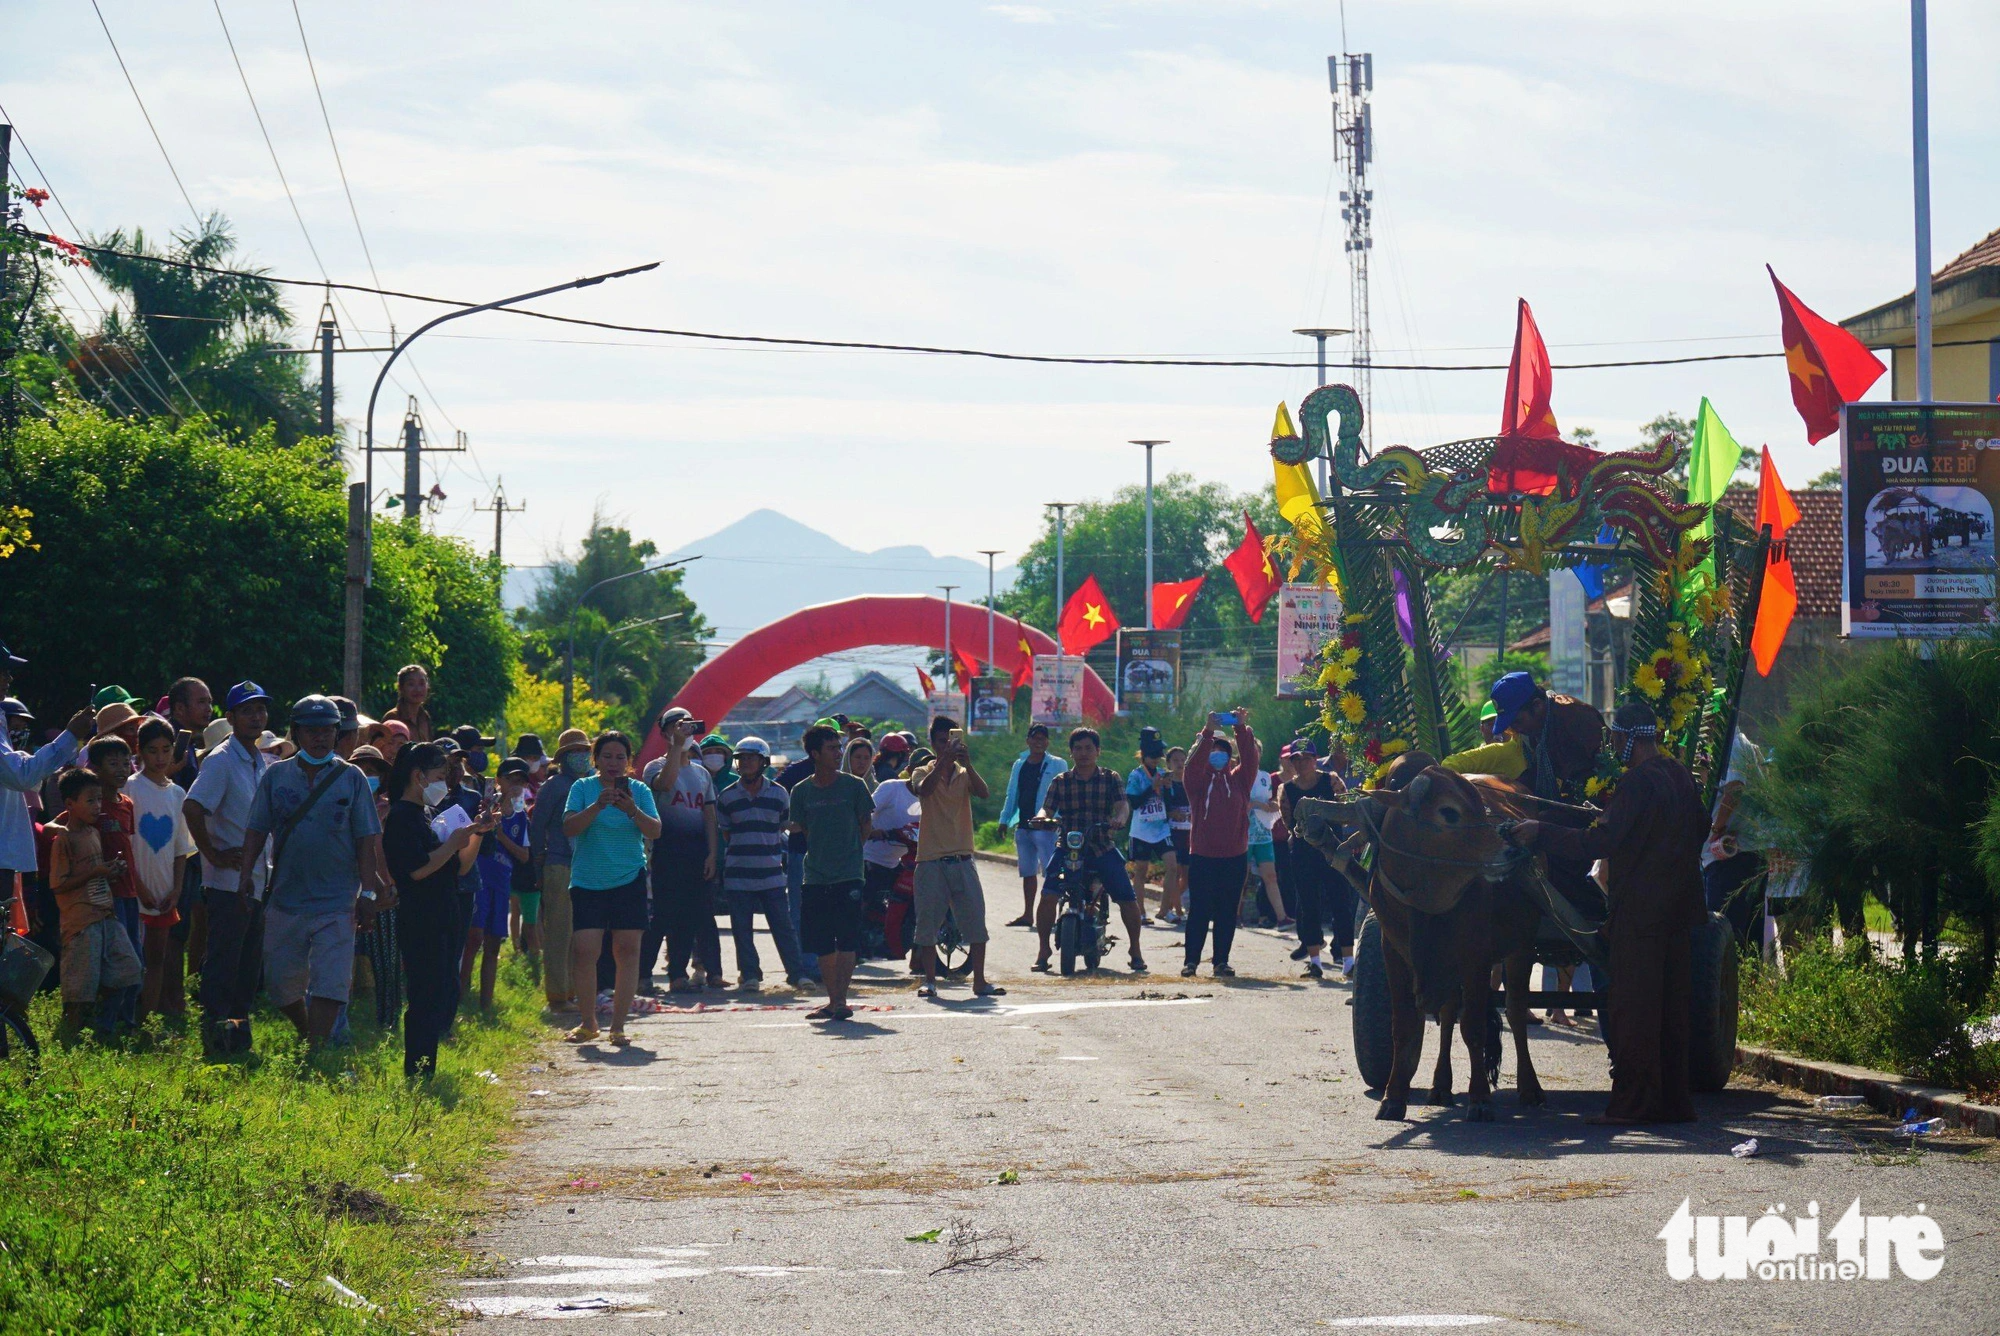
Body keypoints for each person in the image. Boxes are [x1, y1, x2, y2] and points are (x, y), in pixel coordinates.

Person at [1507, 701, 1706, 1124]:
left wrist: (1542, 833)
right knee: (1670, 1010)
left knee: (1633, 1010)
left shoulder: (1637, 783)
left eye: (1616, 737)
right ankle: (1673, 1102)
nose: (1613, 744)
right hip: (1680, 911)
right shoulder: (1679, 775)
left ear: (1629, 737)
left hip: (1640, 915)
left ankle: (1633, 1105)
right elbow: (1701, 826)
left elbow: (1597, 844)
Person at [239, 695, 385, 1048]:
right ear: (297, 733)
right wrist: (245, 877)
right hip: (286, 897)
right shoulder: (276, 776)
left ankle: (318, 1047)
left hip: (336, 900)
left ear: (337, 734)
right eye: (311, 731)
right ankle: (308, 1032)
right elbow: (256, 830)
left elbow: (367, 839)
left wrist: (368, 893)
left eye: (327, 731)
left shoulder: (352, 779)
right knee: (279, 982)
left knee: (332, 981)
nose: (319, 738)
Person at [381, 741, 491, 1077]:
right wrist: (452, 844)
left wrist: (475, 833)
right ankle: (418, 1070)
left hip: (444, 914)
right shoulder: (401, 817)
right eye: (440, 775)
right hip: (421, 919)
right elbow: (416, 870)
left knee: (442, 990)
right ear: (419, 776)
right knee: (425, 996)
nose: (445, 783)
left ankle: (427, 1064)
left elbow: (456, 866)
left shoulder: (427, 815)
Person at [185, 682, 276, 1054]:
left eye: (261, 709)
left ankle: (237, 1039)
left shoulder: (258, 761)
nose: (256, 716)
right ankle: (215, 1040)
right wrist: (212, 853)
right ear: (231, 717)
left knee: (248, 968)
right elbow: (193, 807)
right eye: (247, 710)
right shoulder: (222, 759)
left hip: (256, 878)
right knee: (224, 964)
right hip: (227, 881)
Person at [562, 730, 661, 1044]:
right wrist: (597, 807)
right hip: (588, 880)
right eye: (607, 757)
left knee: (627, 951)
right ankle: (588, 1022)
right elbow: (569, 827)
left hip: (629, 878)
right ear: (596, 759)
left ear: (629, 761)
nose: (614, 763)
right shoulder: (582, 787)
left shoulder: (640, 790)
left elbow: (655, 831)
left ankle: (618, 1026)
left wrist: (630, 809)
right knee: (584, 951)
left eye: (621, 757)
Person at [1034, 726, 1146, 974]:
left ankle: (1135, 950)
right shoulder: (1060, 782)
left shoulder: (1111, 778)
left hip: (1101, 845)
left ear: (1097, 751)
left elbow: (1122, 806)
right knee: (1048, 894)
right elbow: (1047, 809)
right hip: (1068, 847)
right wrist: (1041, 818)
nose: (1083, 753)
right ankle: (1043, 949)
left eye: (1088, 748)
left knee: (1127, 897)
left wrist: (1119, 819)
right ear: (1071, 752)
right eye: (1078, 748)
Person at [786, 723, 875, 1021]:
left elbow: (866, 825)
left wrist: (850, 853)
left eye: (839, 748)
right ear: (815, 754)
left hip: (849, 875)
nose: (839, 753)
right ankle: (833, 1000)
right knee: (823, 941)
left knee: (847, 939)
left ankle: (841, 1000)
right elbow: (803, 827)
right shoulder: (801, 791)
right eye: (832, 748)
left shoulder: (854, 786)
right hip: (814, 876)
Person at [48, 768, 142, 1042]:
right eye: (90, 800)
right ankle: (69, 1038)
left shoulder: (92, 831)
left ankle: (104, 1029)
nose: (97, 806)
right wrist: (96, 872)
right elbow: (58, 885)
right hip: (80, 921)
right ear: (70, 804)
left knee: (128, 970)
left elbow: (95, 870)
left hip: (105, 913)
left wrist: (111, 870)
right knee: (79, 988)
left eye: (99, 800)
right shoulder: (64, 839)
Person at [910, 716, 998, 999]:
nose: (946, 745)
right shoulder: (922, 771)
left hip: (962, 857)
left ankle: (980, 981)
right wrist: (944, 761)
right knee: (927, 924)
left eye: (951, 740)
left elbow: (983, 793)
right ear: (932, 743)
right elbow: (924, 790)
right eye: (941, 741)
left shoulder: (964, 773)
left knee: (975, 920)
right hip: (931, 859)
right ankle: (930, 981)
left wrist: (967, 763)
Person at [714, 737, 808, 988]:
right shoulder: (727, 796)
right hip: (738, 875)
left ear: (763, 762)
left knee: (783, 927)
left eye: (751, 758)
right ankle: (750, 975)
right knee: (742, 931)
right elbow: (726, 832)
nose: (745, 763)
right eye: (741, 758)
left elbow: (786, 824)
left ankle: (797, 974)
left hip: (772, 874)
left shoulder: (779, 794)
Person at [642, 714, 722, 993]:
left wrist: (712, 854)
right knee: (663, 914)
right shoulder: (655, 766)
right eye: (677, 727)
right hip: (667, 849)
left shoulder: (701, 774)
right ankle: (642, 975)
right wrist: (676, 747)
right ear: (665, 733)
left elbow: (709, 816)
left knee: (691, 915)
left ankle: (678, 974)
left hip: (696, 851)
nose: (684, 731)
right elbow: (664, 785)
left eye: (688, 726)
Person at [128, 718, 197, 1022]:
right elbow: (124, 847)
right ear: (139, 751)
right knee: (131, 959)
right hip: (132, 891)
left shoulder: (177, 794)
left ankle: (146, 1020)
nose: (159, 758)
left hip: (164, 892)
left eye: (166, 750)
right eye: (152, 750)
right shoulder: (130, 788)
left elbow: (181, 850)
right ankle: (125, 1018)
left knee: (158, 957)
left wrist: (177, 889)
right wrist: (138, 888)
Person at [1182, 709, 1259, 979]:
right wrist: (1207, 732)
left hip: (1234, 856)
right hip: (1202, 855)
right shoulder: (1196, 782)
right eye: (1213, 749)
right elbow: (1192, 764)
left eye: (1223, 750)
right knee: (1200, 910)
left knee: (1227, 911)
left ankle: (1221, 962)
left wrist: (1241, 728)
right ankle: (1190, 961)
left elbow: (1250, 758)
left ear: (1230, 755)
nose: (1218, 753)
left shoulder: (1240, 779)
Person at [84, 733, 143, 1031]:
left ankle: (126, 1022)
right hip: (105, 896)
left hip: (129, 891)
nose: (122, 769)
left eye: (126, 762)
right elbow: (64, 827)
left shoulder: (127, 804)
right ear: (95, 768)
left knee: (135, 960)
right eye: (113, 763)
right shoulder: (91, 806)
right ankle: (105, 1024)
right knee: (117, 961)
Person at [1278, 741, 1347, 979]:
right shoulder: (1287, 789)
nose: (1302, 763)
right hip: (1303, 852)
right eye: (1296, 759)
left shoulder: (1331, 781)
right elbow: (1288, 821)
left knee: (1340, 902)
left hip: (1332, 850)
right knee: (1309, 906)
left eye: (1307, 758)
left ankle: (1346, 958)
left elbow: (1344, 809)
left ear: (1316, 759)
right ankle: (1315, 961)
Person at [532, 728, 589, 1013]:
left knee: (577, 934)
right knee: (559, 933)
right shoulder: (555, 785)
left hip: (583, 866)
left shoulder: (587, 785)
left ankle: (571, 990)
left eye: (585, 751)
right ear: (564, 757)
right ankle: (557, 996)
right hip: (558, 864)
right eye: (577, 752)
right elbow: (537, 824)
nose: (583, 757)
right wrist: (538, 861)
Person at [997, 723, 1064, 928]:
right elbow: (1012, 794)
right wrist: (1004, 820)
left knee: (1051, 872)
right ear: (1028, 740)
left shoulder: (1057, 764)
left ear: (1047, 741)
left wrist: (1059, 820)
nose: (1038, 742)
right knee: (1027, 872)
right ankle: (1028, 914)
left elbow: (1064, 793)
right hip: (1024, 825)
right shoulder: (1020, 764)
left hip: (1046, 827)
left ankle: (1055, 915)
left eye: (1043, 738)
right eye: (1035, 738)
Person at [1703, 729, 1767, 946]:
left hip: (1732, 857)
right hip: (1737, 856)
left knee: (1726, 936)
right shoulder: (1733, 744)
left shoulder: (1734, 744)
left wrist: (1715, 828)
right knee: (1745, 938)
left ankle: (1736, 979)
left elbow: (1735, 789)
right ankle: (1748, 979)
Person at [863, 756, 922, 963]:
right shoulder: (891, 788)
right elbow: (867, 811)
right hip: (871, 856)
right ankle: (858, 945)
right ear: (909, 769)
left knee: (916, 902)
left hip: (904, 860)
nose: (925, 773)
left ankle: (916, 957)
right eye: (920, 768)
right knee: (865, 901)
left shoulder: (933, 795)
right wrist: (871, 830)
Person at [1125, 728, 1172, 927]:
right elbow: (1134, 802)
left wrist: (1168, 790)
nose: (1156, 759)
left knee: (1173, 865)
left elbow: (1170, 802)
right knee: (1141, 869)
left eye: (1158, 755)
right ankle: (1141, 911)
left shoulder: (1163, 774)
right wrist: (1152, 786)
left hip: (1161, 828)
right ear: (1143, 754)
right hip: (1142, 829)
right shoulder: (1135, 776)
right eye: (1152, 755)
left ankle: (1165, 909)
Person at [1246, 762, 1288, 929]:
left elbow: (1269, 800)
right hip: (1244, 833)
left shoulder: (1264, 776)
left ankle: (1282, 917)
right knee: (1241, 876)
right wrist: (1256, 804)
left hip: (1263, 832)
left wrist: (1273, 805)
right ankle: (1231, 915)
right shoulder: (1235, 774)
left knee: (1271, 876)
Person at [1161, 746, 1191, 925]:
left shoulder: (1191, 780)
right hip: (1171, 831)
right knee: (1174, 870)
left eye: (1182, 760)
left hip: (1190, 831)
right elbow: (1160, 805)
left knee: (1186, 874)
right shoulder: (1166, 782)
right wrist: (1172, 813)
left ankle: (1169, 904)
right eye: (1175, 761)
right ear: (1169, 763)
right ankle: (1176, 910)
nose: (1180, 764)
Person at [381, 664, 435, 742]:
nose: (418, 690)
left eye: (422, 684)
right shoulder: (393, 717)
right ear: (401, 688)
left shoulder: (424, 717)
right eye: (411, 684)